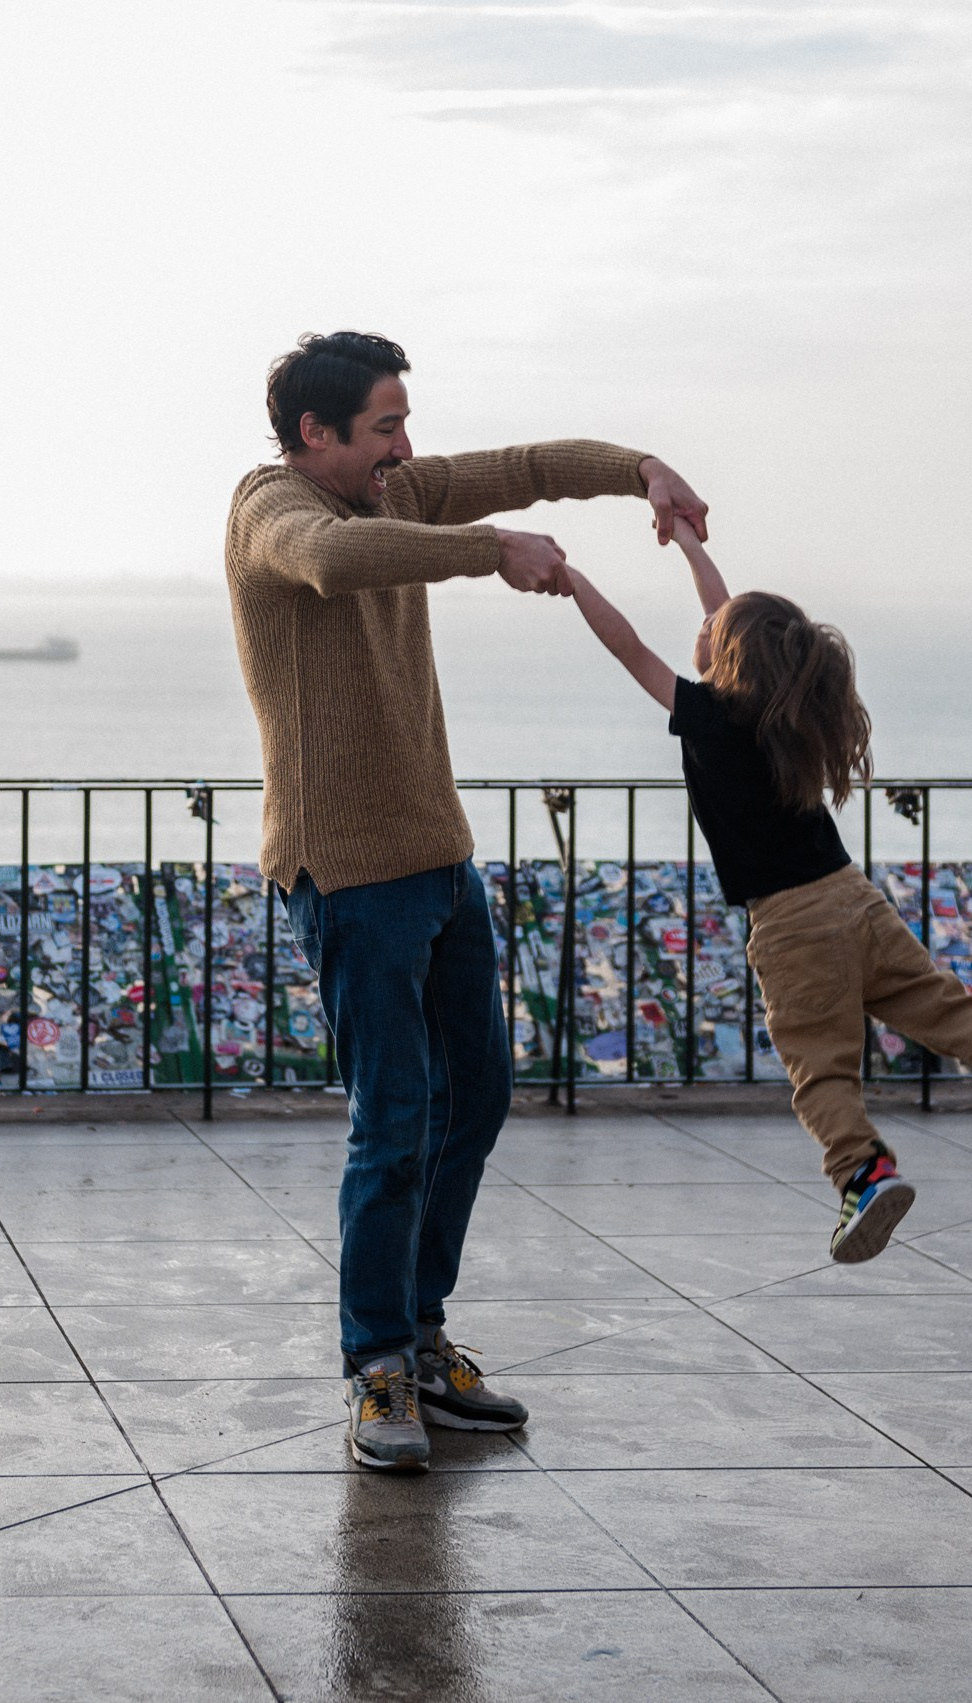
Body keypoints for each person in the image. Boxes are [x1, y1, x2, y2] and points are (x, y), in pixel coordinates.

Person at [225, 330, 708, 1471]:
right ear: (315, 434)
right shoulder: (269, 508)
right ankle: (376, 1366)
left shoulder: (395, 487)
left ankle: (424, 1334)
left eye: (403, 422)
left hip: (436, 855)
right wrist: (490, 551)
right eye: (384, 425)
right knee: (391, 1122)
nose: (406, 444)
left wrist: (641, 467)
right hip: (344, 872)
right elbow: (336, 562)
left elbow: (526, 462)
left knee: (477, 1094)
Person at [562, 532, 972, 1264]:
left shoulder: (709, 717)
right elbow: (726, 611)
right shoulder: (778, 715)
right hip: (854, 899)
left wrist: (571, 581)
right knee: (950, 1012)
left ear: (729, 657)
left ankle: (863, 1171)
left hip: (792, 924)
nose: (701, 624)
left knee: (820, 1068)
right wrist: (691, 545)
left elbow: (628, 647)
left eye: (711, 629)